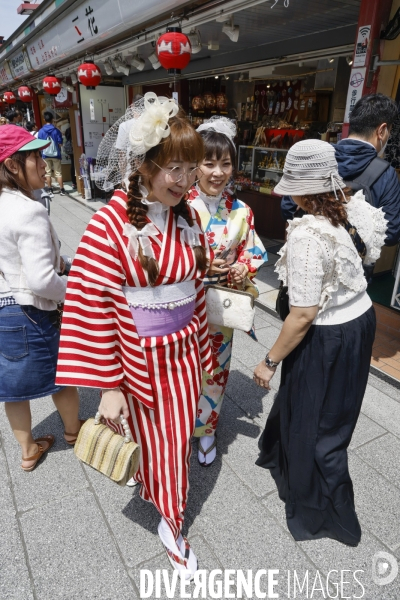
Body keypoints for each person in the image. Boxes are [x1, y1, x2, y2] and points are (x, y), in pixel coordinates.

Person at [55, 93, 213, 579]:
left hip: (182, 352)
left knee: (172, 439)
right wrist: (109, 383)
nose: (187, 181)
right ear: (143, 165)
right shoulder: (109, 223)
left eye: (192, 168)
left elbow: (196, 288)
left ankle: (160, 490)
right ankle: (172, 522)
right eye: (176, 169)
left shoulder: (189, 216)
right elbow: (93, 303)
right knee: (159, 439)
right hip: (137, 356)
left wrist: (204, 345)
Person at [254, 140, 387, 547]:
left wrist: (269, 361)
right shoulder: (351, 208)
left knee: (320, 425)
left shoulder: (307, 235)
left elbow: (303, 315)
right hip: (360, 320)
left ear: (300, 188)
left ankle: (328, 514)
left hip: (328, 334)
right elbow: (368, 261)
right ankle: (283, 453)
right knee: (332, 408)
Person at [0, 125, 82, 472]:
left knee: (12, 388)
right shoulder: (28, 210)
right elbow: (41, 280)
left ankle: (28, 450)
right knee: (61, 377)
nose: (45, 162)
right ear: (13, 165)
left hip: (4, 312)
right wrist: (75, 290)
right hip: (32, 311)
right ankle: (75, 433)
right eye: (35, 156)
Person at [187, 117, 268, 466]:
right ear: (195, 165)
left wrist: (242, 267)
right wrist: (198, 264)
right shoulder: (179, 204)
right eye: (209, 162)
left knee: (214, 372)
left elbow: (255, 251)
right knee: (179, 371)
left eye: (225, 163)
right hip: (182, 305)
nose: (217, 172)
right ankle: (175, 428)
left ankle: (205, 432)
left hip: (219, 308)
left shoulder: (241, 210)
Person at [281, 93, 400, 246]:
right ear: (382, 131)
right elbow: (390, 234)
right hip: (353, 265)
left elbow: (287, 209)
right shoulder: (385, 174)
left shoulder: (317, 157)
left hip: (307, 252)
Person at [37, 111, 66, 196]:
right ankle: (62, 190)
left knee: (48, 172)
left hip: (45, 154)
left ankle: (50, 190)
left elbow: (40, 143)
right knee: (58, 173)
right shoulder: (56, 130)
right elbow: (60, 143)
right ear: (53, 119)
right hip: (56, 154)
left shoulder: (41, 131)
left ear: (44, 119)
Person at [64, 124, 77, 189]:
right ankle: (76, 182)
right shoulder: (75, 129)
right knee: (76, 165)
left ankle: (74, 182)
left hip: (69, 149)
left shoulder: (68, 130)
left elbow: (66, 138)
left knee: (72, 165)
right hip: (75, 148)